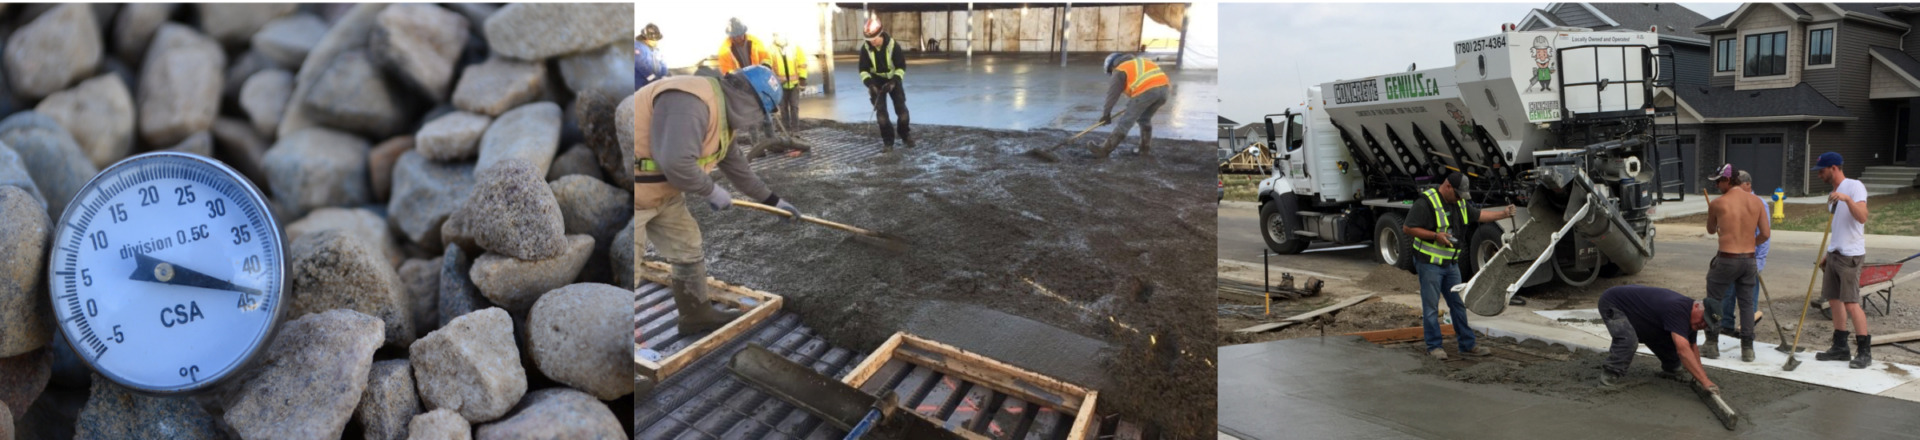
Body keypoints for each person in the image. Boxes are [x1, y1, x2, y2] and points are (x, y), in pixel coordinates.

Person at [632, 65, 801, 333]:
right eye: (761, 114)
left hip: (662, 194)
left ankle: (695, 314)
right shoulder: (690, 102)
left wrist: (773, 202)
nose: (758, 121)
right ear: (751, 103)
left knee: (687, 247)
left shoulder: (722, 117)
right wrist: (712, 191)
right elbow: (675, 163)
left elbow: (738, 168)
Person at [1402, 172, 1516, 360]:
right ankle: (1434, 347)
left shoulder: (1460, 202)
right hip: (1429, 264)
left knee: (1459, 304)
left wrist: (1503, 213)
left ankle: (1467, 344)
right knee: (1430, 307)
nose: (1458, 200)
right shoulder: (1426, 203)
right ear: (1447, 187)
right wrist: (1435, 236)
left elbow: (1479, 215)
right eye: (1457, 195)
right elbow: (1408, 228)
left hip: (1451, 265)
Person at [1596, 285, 1720, 398]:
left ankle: (1671, 368)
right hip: (1614, 302)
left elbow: (1692, 347)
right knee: (1628, 339)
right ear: (1697, 306)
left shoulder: (1692, 321)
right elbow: (1683, 351)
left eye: (1707, 323)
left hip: (1641, 315)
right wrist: (1705, 381)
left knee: (1669, 336)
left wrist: (1700, 376)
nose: (1703, 324)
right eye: (1703, 319)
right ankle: (1608, 379)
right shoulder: (1678, 309)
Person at [1810, 152, 1874, 368]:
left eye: (1821, 170)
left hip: (1850, 255)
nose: (1819, 175)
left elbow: (1862, 217)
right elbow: (1838, 227)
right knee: (1834, 300)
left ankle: (1864, 352)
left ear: (1834, 168)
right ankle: (1840, 347)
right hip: (1836, 253)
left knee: (1851, 303)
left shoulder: (1854, 186)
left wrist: (1847, 199)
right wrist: (1829, 252)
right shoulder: (1832, 193)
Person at [1703, 164, 1768, 362]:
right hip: (1749, 260)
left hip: (1726, 258)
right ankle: (1747, 349)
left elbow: (1711, 230)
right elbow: (1765, 234)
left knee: (1714, 300)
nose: (1716, 186)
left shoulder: (1717, 203)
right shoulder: (1756, 202)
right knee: (1747, 303)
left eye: (1718, 182)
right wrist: (1749, 244)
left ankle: (1711, 344)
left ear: (1728, 180)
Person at [1717, 170, 1770, 338]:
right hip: (1732, 255)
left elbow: (1765, 234)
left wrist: (1757, 257)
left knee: (1747, 296)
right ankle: (1726, 325)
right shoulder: (1730, 201)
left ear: (1748, 185)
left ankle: (1747, 329)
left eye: (1738, 186)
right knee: (1728, 291)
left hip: (1751, 256)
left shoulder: (1759, 203)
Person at [1086, 53, 1170, 159]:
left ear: (1112, 66)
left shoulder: (1120, 69)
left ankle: (1104, 150)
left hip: (1147, 92)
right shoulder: (1142, 61)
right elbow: (1146, 81)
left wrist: (1106, 113)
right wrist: (1135, 103)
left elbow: (1113, 94)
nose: (1111, 74)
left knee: (1125, 122)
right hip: (1164, 91)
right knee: (1144, 119)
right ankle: (1144, 149)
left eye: (1110, 72)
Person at [859, 18, 912, 153]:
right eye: (869, 39)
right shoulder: (866, 48)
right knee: (882, 115)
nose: (872, 42)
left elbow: (901, 67)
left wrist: (894, 82)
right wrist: (870, 84)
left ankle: (905, 135)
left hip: (893, 80)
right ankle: (888, 142)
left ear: (881, 34)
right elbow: (863, 70)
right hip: (876, 81)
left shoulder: (893, 46)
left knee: (903, 112)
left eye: (874, 39)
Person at [767, 33, 808, 131]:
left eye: (779, 35)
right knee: (783, 109)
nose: (777, 38)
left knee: (794, 107)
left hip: (794, 85)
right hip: (780, 86)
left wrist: (802, 80)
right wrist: (772, 87)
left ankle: (795, 130)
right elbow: (768, 69)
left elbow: (802, 64)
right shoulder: (770, 50)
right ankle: (786, 130)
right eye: (775, 36)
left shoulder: (795, 47)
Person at [636, 24, 668, 89]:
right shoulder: (637, 47)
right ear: (646, 38)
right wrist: (652, 78)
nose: (656, 41)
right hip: (641, 85)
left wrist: (664, 76)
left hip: (655, 84)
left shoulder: (656, 50)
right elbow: (640, 64)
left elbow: (662, 62)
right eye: (653, 40)